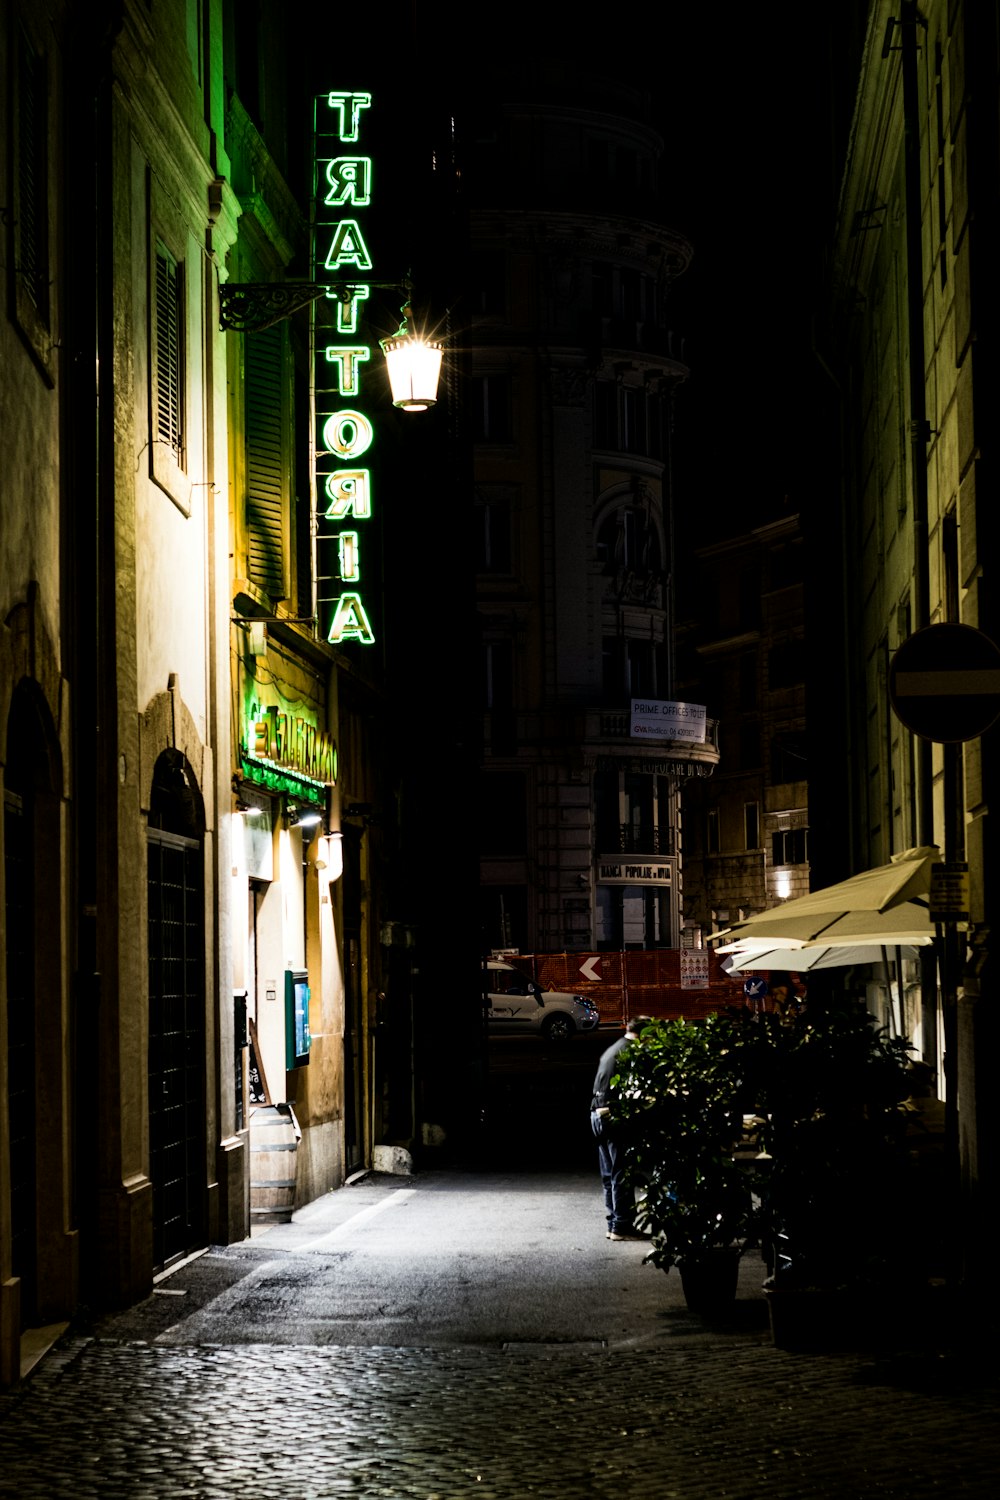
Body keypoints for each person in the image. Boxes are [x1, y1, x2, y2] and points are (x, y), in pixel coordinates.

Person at [590, 1016, 651, 1241]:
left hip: (596, 1115)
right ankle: (622, 1226)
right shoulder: (632, 1052)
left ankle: (613, 1223)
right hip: (614, 1118)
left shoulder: (613, 1049)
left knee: (609, 1174)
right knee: (622, 1173)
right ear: (644, 1034)